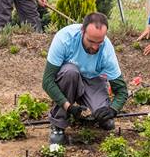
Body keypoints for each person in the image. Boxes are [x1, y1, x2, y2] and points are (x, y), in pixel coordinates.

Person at [42, 12, 128, 145]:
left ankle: (92, 114)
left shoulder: (106, 50)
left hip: (93, 80)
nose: (95, 47)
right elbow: (47, 81)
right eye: (91, 41)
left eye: (99, 42)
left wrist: (113, 109)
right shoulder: (64, 38)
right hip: (69, 79)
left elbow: (121, 90)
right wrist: (68, 107)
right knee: (70, 72)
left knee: (105, 120)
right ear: (82, 31)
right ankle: (58, 124)